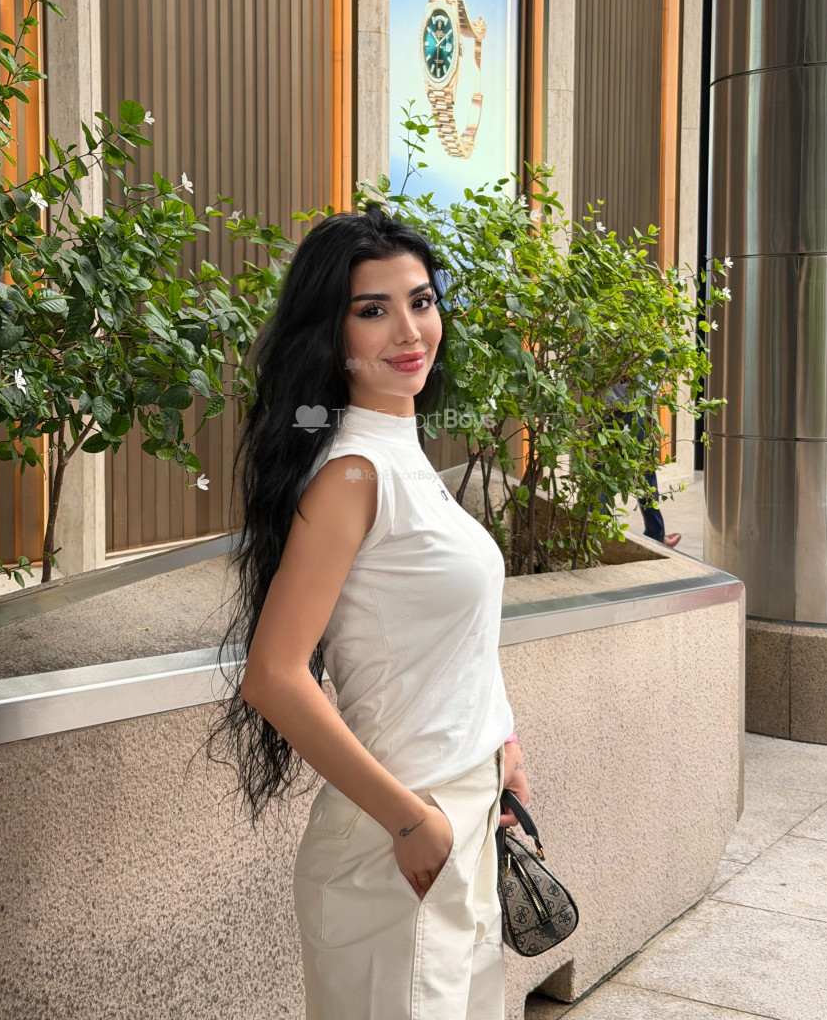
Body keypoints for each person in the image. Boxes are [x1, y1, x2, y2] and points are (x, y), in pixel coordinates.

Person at [206, 202, 530, 1019]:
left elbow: (452, 637)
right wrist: (411, 821)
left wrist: (502, 745)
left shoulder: (405, 456)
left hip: (459, 815)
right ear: (333, 334)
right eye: (374, 311)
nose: (409, 330)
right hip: (401, 838)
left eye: (421, 301)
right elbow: (274, 676)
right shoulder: (352, 473)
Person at [600, 378, 681, 548]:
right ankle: (656, 535)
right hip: (632, 415)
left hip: (607, 415)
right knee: (645, 475)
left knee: (601, 473)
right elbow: (647, 385)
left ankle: (594, 529)